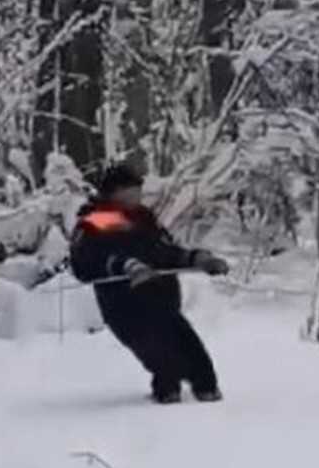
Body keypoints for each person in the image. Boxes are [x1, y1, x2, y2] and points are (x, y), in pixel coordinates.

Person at [69, 164, 230, 404]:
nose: (137, 194)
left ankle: (210, 405)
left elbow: (163, 251)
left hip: (162, 304)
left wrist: (197, 259)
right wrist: (125, 266)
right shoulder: (96, 220)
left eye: (138, 189)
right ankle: (164, 419)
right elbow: (87, 262)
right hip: (126, 309)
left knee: (201, 367)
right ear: (115, 192)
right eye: (131, 189)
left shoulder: (143, 218)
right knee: (165, 366)